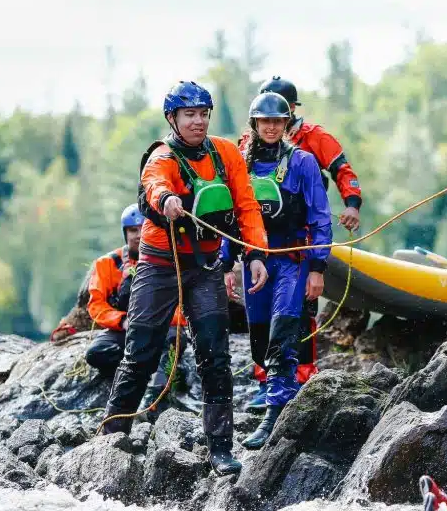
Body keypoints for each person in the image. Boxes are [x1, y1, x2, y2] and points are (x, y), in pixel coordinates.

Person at [97, 80, 269, 477]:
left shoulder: (226, 154)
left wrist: (255, 255)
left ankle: (221, 449)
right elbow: (153, 184)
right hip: (159, 267)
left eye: (203, 114)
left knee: (215, 355)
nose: (198, 121)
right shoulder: (162, 156)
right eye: (189, 114)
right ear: (172, 119)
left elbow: (246, 206)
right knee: (140, 352)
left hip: (205, 269)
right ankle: (111, 434)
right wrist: (166, 200)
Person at [238, 76, 363, 407]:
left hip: (301, 240)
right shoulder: (246, 148)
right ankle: (266, 379)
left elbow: (343, 170)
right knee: (261, 317)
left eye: (281, 111)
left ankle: (301, 374)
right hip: (259, 246)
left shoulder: (314, 140)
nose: (273, 120)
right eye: (265, 115)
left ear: (291, 111)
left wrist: (352, 203)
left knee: (296, 311)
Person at [222, 91, 332, 449]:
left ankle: (274, 415)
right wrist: (226, 264)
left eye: (277, 121)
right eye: (264, 121)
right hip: (255, 261)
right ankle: (273, 394)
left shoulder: (302, 162)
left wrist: (318, 268)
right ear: (254, 124)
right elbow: (231, 217)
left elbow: (320, 217)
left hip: (293, 259)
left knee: (283, 333)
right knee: (259, 339)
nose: (271, 126)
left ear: (287, 123)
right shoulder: (241, 164)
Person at [84, 204, 188, 419]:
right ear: (125, 233)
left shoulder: (171, 261)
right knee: (96, 353)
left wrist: (153, 321)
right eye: (133, 230)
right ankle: (136, 372)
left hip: (161, 329)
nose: (139, 235)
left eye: (143, 228)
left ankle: (154, 398)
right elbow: (96, 305)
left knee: (175, 340)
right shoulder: (107, 264)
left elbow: (183, 309)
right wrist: (121, 321)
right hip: (125, 329)